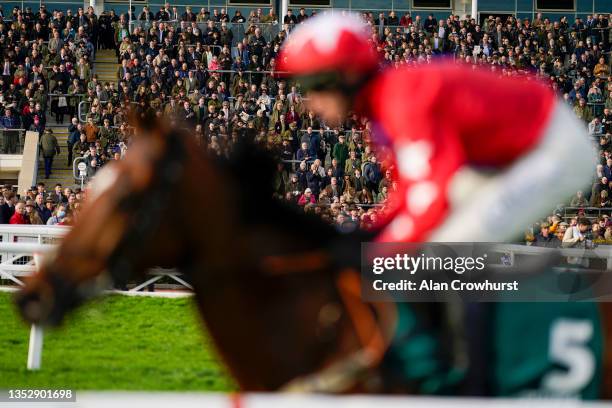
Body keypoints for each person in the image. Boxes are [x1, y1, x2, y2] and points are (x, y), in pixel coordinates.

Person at [278, 14, 595, 243]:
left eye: (314, 86)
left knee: (448, 245)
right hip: (502, 158)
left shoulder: (400, 101)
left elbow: (431, 196)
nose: (310, 103)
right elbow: (409, 191)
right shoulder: (379, 109)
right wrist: (371, 234)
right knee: (436, 240)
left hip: (552, 148)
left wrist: (376, 255)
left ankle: (482, 337)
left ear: (346, 77)